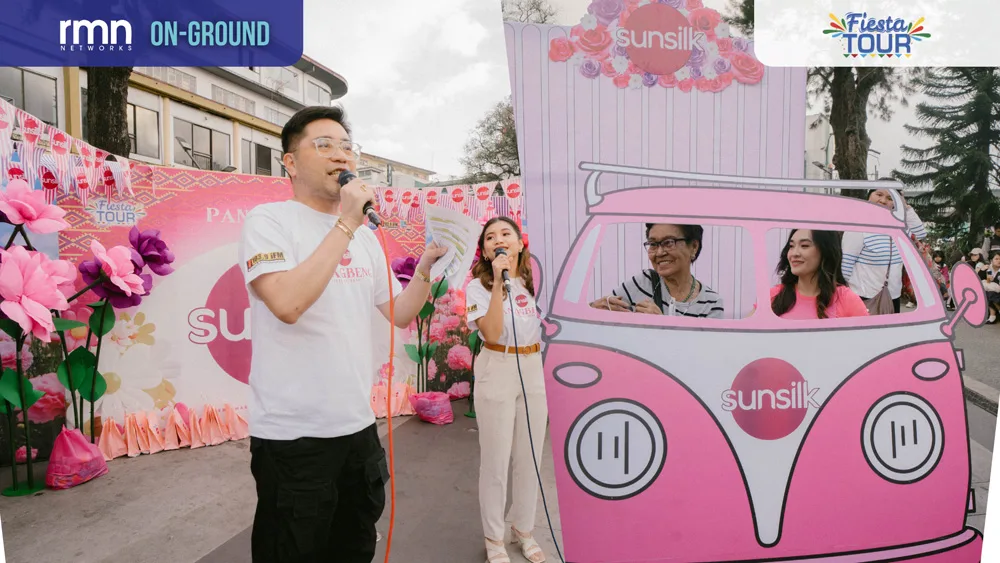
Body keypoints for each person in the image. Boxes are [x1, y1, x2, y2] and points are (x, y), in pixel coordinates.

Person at [239, 105, 446, 563]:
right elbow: (287, 304)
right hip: (293, 436)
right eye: (324, 145)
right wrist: (347, 223)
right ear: (290, 162)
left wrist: (427, 268)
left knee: (353, 547)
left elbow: (401, 313)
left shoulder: (366, 238)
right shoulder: (269, 221)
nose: (341, 155)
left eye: (347, 147)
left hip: (357, 429)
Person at [465, 216, 547, 563]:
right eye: (490, 237)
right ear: (485, 251)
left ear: (520, 242)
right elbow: (492, 333)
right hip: (496, 365)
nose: (498, 240)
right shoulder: (477, 288)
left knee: (530, 458)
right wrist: (499, 282)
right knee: (496, 461)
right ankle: (494, 538)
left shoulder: (536, 282)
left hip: (533, 367)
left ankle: (523, 529)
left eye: (505, 234)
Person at [589, 223, 725, 318]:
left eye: (669, 242)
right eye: (653, 244)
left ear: (694, 246)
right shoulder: (641, 283)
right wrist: (595, 308)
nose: (659, 252)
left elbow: (704, 350)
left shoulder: (711, 303)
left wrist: (661, 324)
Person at [841, 188, 927, 314]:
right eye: (879, 194)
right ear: (869, 196)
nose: (882, 201)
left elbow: (920, 234)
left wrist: (905, 205)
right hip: (864, 298)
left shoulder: (898, 227)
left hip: (893, 297)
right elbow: (845, 267)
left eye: (890, 198)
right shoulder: (858, 227)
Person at [770, 229, 868, 319]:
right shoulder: (773, 296)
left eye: (804, 246)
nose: (794, 253)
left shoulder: (846, 300)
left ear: (825, 250)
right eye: (791, 246)